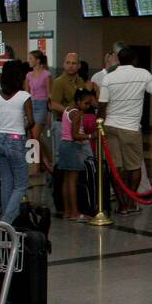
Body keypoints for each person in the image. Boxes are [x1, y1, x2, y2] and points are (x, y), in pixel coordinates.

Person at [97, 47, 152, 215]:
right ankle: (131, 203)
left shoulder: (108, 78)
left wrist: (99, 128)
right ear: (135, 60)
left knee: (116, 168)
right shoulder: (143, 74)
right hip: (130, 128)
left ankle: (122, 204)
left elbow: (102, 105)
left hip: (110, 127)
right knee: (134, 167)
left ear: (119, 60)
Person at [0, 60, 34, 225]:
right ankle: (6, 221)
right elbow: (31, 121)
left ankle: (4, 219)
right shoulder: (24, 97)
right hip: (16, 141)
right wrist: (19, 125)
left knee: (6, 181)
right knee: (21, 184)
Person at [58, 88, 96, 221]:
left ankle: (67, 211)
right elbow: (75, 135)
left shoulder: (67, 110)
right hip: (72, 147)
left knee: (66, 181)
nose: (88, 106)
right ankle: (75, 213)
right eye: (86, 103)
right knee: (73, 181)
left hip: (63, 145)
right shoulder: (77, 114)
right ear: (78, 101)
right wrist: (91, 136)